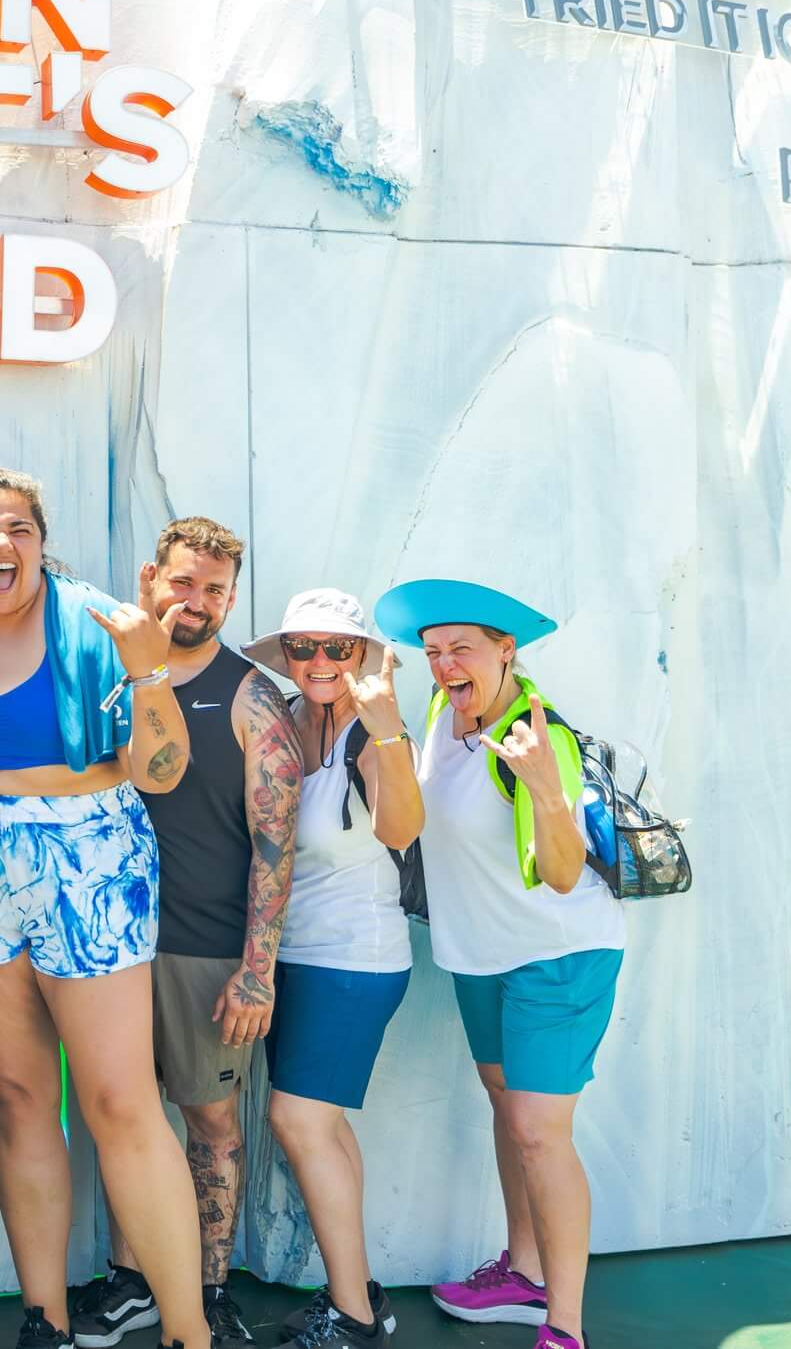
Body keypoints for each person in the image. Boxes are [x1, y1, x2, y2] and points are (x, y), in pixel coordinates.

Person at [0, 466, 211, 1349]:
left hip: (89, 853)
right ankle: (44, 1322)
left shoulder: (93, 622)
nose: (1, 543)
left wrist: (150, 673)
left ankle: (188, 1333)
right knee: (17, 1098)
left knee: (120, 1103)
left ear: (42, 541)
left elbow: (162, 772)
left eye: (18, 527)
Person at [375, 579, 625, 1349]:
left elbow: (560, 871)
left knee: (540, 1130)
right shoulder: (441, 717)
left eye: (463, 648)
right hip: (479, 953)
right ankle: (522, 1270)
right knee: (507, 1108)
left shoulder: (538, 734)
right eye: (434, 651)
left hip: (557, 955)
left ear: (505, 649)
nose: (446, 663)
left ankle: (566, 1326)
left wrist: (548, 790)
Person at [70, 520, 298, 1349]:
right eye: (183, 583)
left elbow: (277, 840)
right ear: (149, 578)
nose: (195, 603)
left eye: (214, 591)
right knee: (123, 1116)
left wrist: (256, 970)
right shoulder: (105, 668)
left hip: (202, 948)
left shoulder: (249, 693)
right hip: (102, 939)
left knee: (208, 1125)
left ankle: (207, 1288)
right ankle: (133, 1281)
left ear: (230, 599)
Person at [244, 591, 422, 1349]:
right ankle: (362, 1297)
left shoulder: (372, 729)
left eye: (337, 648)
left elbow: (402, 828)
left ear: (361, 655)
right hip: (299, 957)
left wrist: (386, 735)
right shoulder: (288, 715)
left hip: (355, 957)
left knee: (298, 1117)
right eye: (303, 647)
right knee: (326, 1127)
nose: (319, 662)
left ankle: (350, 1317)